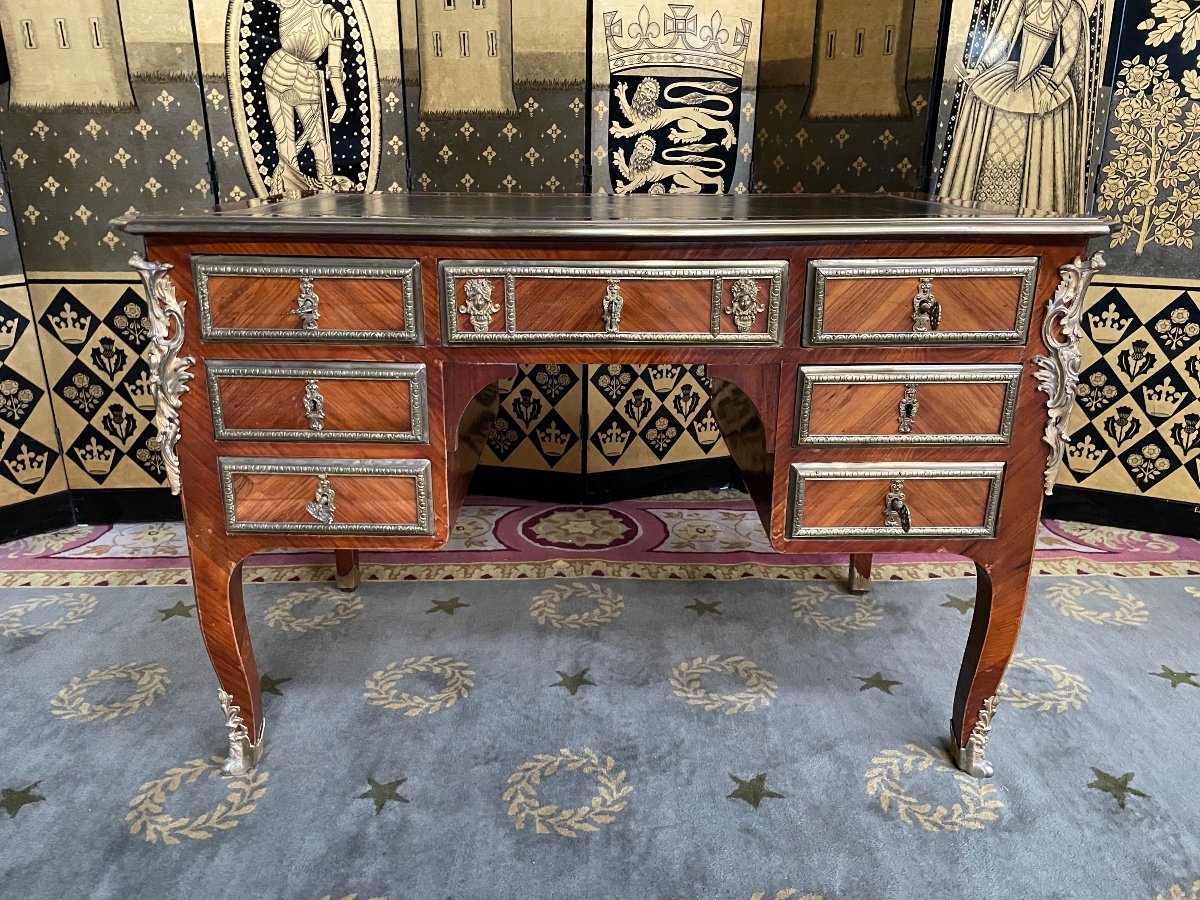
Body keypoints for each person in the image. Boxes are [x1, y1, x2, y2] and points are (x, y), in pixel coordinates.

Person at [940, 0, 1096, 215]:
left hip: (1046, 83)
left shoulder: (1070, 8)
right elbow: (1003, 37)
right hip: (1009, 77)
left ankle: (1032, 213)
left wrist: (1051, 88)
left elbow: (1070, 52)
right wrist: (980, 68)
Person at [262, 0, 350, 193]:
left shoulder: (333, 17)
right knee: (285, 138)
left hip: (307, 81)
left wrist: (341, 102)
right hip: (277, 72)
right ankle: (290, 191)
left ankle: (327, 188)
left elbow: (334, 68)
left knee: (317, 139)